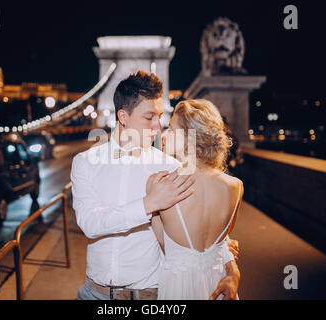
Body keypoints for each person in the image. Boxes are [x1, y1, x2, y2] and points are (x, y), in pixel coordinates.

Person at [71, 70, 240, 300]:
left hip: (150, 295)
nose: (157, 126)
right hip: (94, 293)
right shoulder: (85, 163)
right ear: (123, 116)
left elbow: (207, 232)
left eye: (160, 117)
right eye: (149, 117)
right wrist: (148, 204)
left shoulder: (171, 167)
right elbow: (90, 223)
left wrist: (232, 269)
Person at [149, 99, 243, 300]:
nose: (165, 135)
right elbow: (222, 242)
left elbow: (164, 244)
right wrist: (234, 271)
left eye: (171, 129)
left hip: (179, 288)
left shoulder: (160, 185)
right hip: (218, 283)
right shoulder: (235, 186)